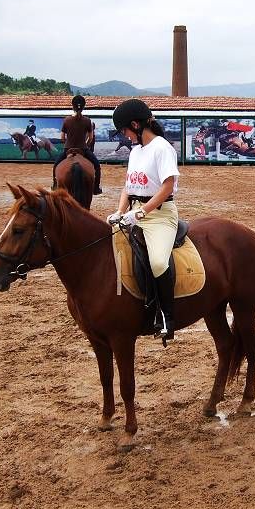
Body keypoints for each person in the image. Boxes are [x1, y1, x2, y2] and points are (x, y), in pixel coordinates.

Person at [106, 99, 180, 341]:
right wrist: (120, 212)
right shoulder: (135, 152)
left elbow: (167, 185)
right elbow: (129, 187)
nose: (125, 136)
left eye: (125, 131)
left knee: (158, 262)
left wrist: (141, 212)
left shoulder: (162, 148)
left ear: (136, 125)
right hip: (135, 212)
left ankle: (167, 317)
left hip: (160, 216)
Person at [56, 95, 102, 194]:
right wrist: (87, 145)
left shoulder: (67, 120)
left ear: (73, 106)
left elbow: (62, 137)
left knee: (56, 165)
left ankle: (55, 185)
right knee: (97, 166)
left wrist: (66, 143)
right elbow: (91, 138)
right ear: (83, 107)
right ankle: (96, 188)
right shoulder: (87, 120)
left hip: (68, 148)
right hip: (83, 149)